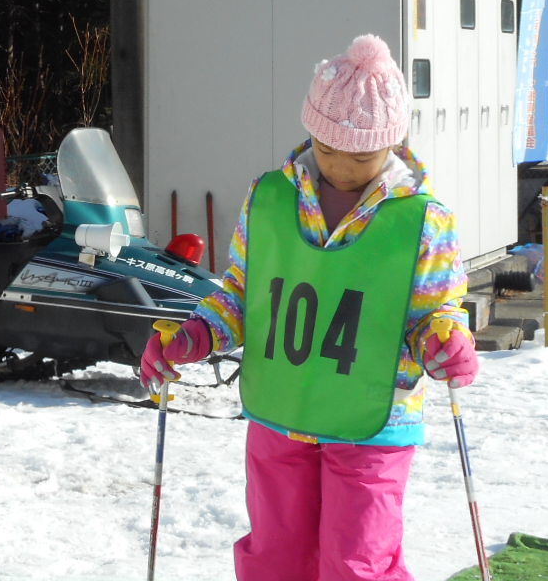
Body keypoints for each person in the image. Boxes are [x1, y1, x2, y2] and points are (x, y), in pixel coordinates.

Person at [140, 33, 476, 581]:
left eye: (363, 155)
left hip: (373, 418)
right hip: (282, 409)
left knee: (356, 564)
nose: (342, 167)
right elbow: (244, 294)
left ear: (392, 142)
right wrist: (197, 334)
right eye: (326, 149)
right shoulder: (269, 197)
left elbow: (432, 313)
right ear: (309, 132)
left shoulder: (423, 219)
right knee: (275, 559)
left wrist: (443, 339)